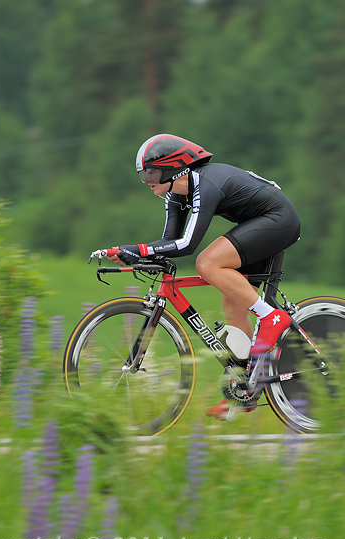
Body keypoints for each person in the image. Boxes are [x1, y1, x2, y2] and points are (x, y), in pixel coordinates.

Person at [96, 134, 301, 421]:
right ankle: (246, 390)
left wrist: (137, 249)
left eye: (151, 173)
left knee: (207, 262)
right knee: (233, 304)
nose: (147, 181)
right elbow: (169, 242)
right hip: (261, 223)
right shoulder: (174, 194)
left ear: (173, 169)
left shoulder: (204, 183)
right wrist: (135, 255)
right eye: (143, 175)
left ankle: (272, 317)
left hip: (278, 220)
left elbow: (188, 245)